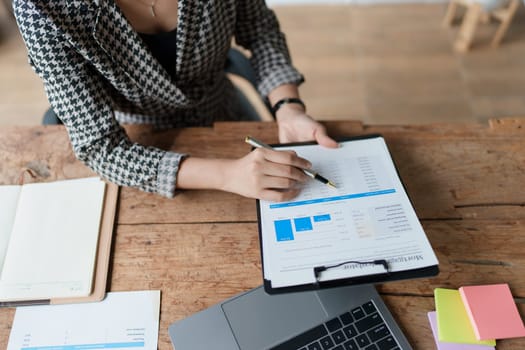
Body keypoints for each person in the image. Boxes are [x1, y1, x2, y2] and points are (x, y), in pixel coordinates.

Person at [14, 0, 338, 202]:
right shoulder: (42, 7)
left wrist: (288, 108)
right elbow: (102, 148)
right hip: (143, 146)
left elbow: (259, 29)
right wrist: (228, 175)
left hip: (225, 112)